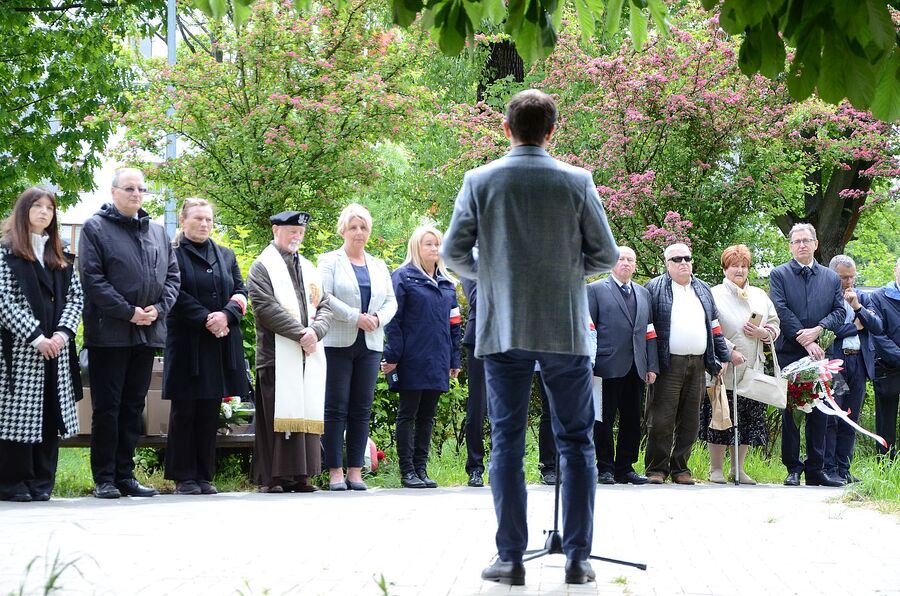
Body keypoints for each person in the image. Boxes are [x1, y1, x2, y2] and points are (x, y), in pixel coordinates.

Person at [443, 89, 618, 586]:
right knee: (578, 443)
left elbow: (455, 255)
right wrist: (564, 274)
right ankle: (579, 560)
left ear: (506, 129)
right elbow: (605, 256)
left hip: (503, 329)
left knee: (506, 442)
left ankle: (510, 559)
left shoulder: (480, 180)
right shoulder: (577, 181)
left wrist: (493, 277)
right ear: (552, 131)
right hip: (564, 329)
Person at [79, 167, 180, 499]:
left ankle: (125, 474)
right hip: (110, 334)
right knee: (108, 407)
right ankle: (104, 478)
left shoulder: (157, 231)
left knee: (134, 406)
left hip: (147, 333)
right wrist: (129, 312)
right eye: (129, 188)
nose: (136, 194)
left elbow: (173, 277)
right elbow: (93, 279)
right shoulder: (95, 228)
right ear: (113, 191)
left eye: (141, 189)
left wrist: (157, 310)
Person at [0, 187, 83, 502]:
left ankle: (42, 481)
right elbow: (3, 301)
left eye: (50, 208)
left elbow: (76, 298)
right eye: (37, 206)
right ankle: (12, 482)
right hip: (20, 350)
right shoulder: (6, 252)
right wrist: (36, 337)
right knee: (16, 417)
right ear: (24, 211)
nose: (44, 212)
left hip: (56, 351)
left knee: (50, 414)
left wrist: (62, 334)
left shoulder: (59, 254)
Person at [162, 199, 249, 496]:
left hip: (220, 342)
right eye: (198, 218)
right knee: (185, 410)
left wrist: (226, 314)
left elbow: (241, 290)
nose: (204, 224)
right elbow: (173, 292)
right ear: (183, 220)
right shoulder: (171, 255)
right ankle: (183, 476)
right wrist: (206, 318)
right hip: (188, 342)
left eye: (209, 220)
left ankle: (204, 474)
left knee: (211, 408)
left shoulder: (225, 254)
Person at [247, 210, 333, 493]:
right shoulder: (263, 266)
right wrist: (301, 333)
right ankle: (272, 478)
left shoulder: (309, 267)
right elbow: (265, 308)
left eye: (301, 232)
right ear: (275, 230)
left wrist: (316, 332)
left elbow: (326, 305)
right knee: (276, 414)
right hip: (275, 356)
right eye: (292, 231)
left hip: (307, 353)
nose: (297, 236)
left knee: (305, 408)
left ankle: (301, 475)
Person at [318, 204, 397, 492]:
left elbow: (391, 301)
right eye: (353, 227)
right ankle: (335, 471)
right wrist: (355, 317)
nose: (359, 232)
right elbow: (323, 296)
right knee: (335, 407)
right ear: (343, 230)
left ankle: (355, 471)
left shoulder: (378, 265)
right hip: (338, 342)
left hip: (371, 343)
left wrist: (376, 319)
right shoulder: (329, 261)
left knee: (361, 409)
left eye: (363, 227)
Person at [644, 243, 732, 485]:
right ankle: (656, 469)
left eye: (687, 258)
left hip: (698, 363)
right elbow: (648, 330)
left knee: (691, 420)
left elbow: (714, 326)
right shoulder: (654, 288)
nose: (683, 262)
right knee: (661, 419)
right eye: (676, 259)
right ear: (667, 264)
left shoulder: (703, 288)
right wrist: (650, 364)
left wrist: (722, 357)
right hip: (668, 364)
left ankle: (681, 469)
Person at [382, 225, 461, 489]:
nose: (435, 249)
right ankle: (407, 472)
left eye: (438, 244)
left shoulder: (447, 284)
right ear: (417, 247)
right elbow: (394, 320)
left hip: (438, 359)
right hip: (411, 358)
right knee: (408, 413)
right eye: (429, 244)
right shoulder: (403, 277)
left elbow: (454, 325)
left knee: (427, 416)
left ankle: (421, 469)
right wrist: (392, 356)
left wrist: (454, 360)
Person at [769, 223, 846, 487]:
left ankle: (817, 469)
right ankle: (792, 468)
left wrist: (819, 330)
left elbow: (839, 311)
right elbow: (780, 309)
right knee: (791, 412)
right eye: (796, 241)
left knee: (821, 411)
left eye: (806, 240)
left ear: (816, 244)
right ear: (790, 246)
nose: (802, 244)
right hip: (791, 353)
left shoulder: (831, 277)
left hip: (822, 353)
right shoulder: (778, 274)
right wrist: (804, 338)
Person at [701, 245, 780, 484]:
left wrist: (764, 332)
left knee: (747, 417)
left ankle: (738, 468)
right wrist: (729, 350)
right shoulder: (713, 294)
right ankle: (715, 468)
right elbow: (708, 326)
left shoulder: (760, 295)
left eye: (744, 266)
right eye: (734, 265)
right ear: (725, 268)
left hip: (752, 367)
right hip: (724, 367)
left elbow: (775, 324)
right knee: (721, 414)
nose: (740, 270)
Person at [587, 246, 658, 485]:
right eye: (621, 259)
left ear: (635, 265)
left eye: (631, 259)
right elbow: (589, 330)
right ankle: (605, 467)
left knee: (632, 419)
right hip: (605, 365)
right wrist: (589, 363)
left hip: (636, 366)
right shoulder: (595, 290)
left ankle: (625, 467)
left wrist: (652, 365)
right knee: (603, 419)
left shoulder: (643, 293)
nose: (626, 263)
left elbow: (649, 332)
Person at [823, 255, 882, 482]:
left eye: (851, 277)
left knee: (852, 416)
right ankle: (828, 469)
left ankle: (844, 469)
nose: (848, 282)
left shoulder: (864, 298)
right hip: (836, 362)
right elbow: (830, 331)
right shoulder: (828, 299)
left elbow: (876, 326)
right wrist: (855, 327)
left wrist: (857, 307)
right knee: (834, 415)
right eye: (842, 278)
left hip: (858, 362)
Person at [868, 257, 900, 458]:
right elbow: (878, 334)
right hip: (888, 367)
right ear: (895, 270)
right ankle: (886, 463)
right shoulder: (878, 297)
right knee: (886, 420)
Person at [461, 277, 488, 487]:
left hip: (511, 339)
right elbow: (478, 299)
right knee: (477, 407)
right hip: (479, 338)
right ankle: (475, 467)